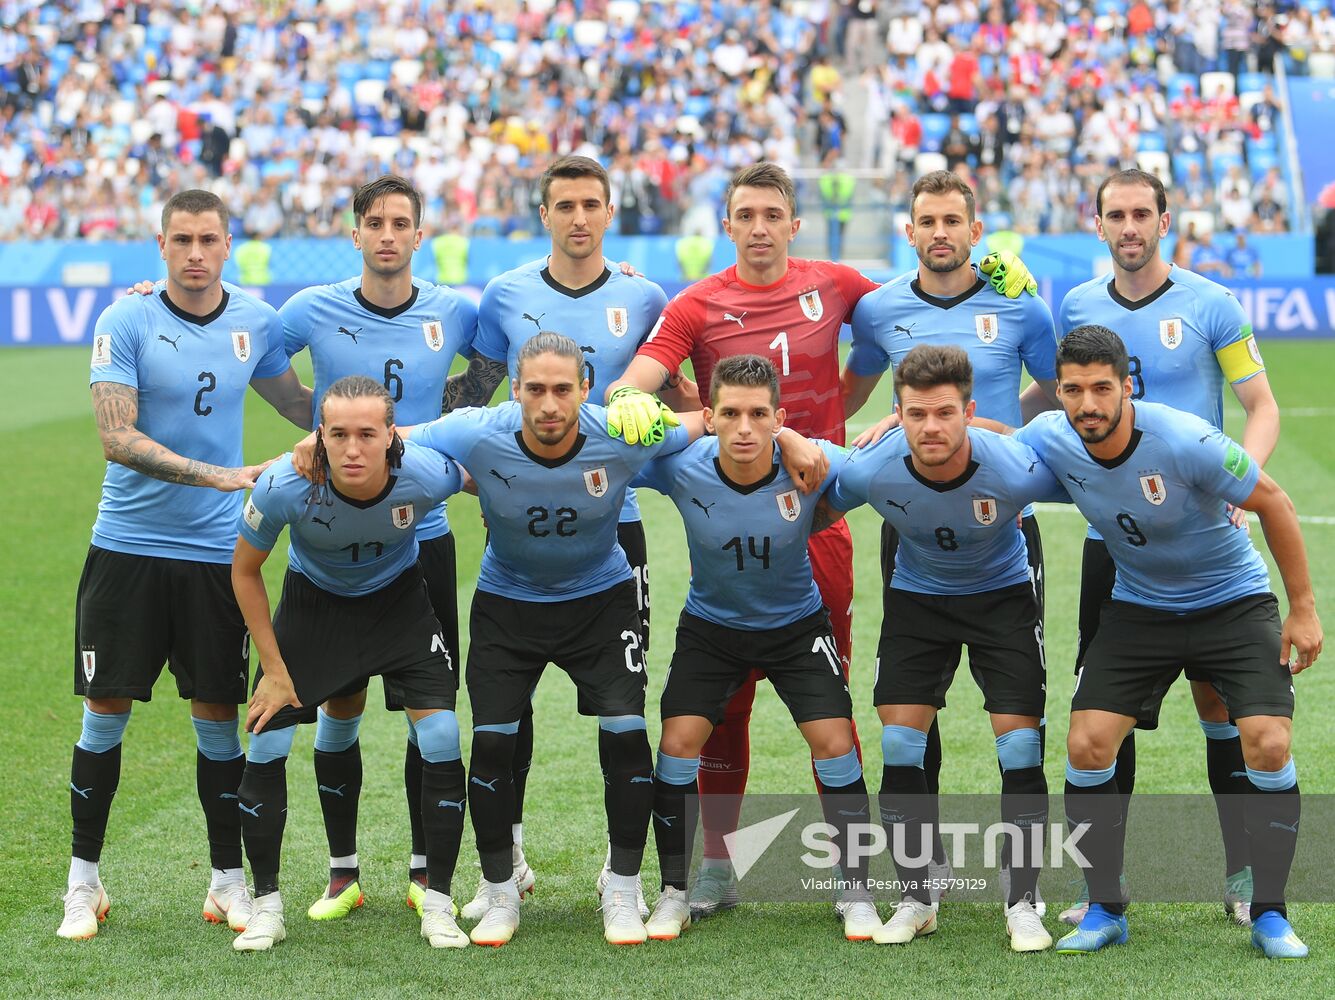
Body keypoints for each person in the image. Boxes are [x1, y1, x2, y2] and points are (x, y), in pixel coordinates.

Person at [604, 160, 1036, 919]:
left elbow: (923, 310)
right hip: (734, 496)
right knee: (723, 702)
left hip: (819, 507)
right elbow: (631, 388)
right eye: (746, 214)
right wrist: (685, 415)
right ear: (728, 224)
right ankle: (713, 866)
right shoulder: (695, 304)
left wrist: (1000, 278)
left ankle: (852, 877)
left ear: (793, 223)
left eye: (773, 213)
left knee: (828, 706)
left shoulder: (837, 284)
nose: (760, 227)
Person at [1009, 325, 1320, 959]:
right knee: (1088, 742)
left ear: (1128, 386)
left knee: (1267, 740)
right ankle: (1105, 907)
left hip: (1232, 604)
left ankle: (1269, 911)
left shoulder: (1185, 438)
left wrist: (1304, 611)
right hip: (1141, 608)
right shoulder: (1051, 435)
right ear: (1058, 393)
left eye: (1102, 388)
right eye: (1072, 390)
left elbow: (1276, 503)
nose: (1088, 404)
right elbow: (992, 450)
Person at [59, 189, 311, 941]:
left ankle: (226, 881)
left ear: (228, 242)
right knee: (105, 713)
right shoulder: (126, 318)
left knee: (217, 716)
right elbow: (117, 437)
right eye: (182, 240)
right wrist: (221, 477)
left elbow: (298, 404)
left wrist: (385, 421)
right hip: (128, 547)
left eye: (208, 239)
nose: (195, 253)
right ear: (160, 246)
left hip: (212, 558)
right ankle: (84, 884)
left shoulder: (255, 322)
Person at [454, 155, 697, 919]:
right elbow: (478, 391)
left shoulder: (644, 293)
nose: (579, 218)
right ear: (545, 213)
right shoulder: (506, 294)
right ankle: (509, 860)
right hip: (521, 532)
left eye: (592, 203)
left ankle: (617, 873)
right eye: (565, 205)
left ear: (609, 210)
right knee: (506, 712)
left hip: (615, 537)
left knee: (622, 709)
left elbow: (683, 396)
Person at [409, 333, 705, 947]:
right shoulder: (475, 430)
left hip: (600, 604)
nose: (549, 404)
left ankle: (622, 888)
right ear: (515, 390)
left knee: (627, 736)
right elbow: (389, 438)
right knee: (491, 747)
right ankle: (500, 890)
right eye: (535, 390)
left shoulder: (621, 432)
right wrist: (312, 443)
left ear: (586, 390)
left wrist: (663, 410)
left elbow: (707, 424)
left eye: (563, 390)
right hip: (507, 606)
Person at [1059, 168, 1281, 927]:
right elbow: (1063, 396)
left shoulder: (1210, 302)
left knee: (1220, 706)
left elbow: (1259, 404)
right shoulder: (1078, 307)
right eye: (1114, 215)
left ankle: (1244, 873)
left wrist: (1238, 484)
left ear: (1164, 221)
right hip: (1111, 541)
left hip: (1202, 534)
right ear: (1097, 225)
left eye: (1140, 214)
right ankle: (1104, 892)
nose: (1128, 227)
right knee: (1102, 715)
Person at [277, 175, 480, 924]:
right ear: (353, 232)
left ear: (419, 235)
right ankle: (342, 872)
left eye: (401, 223)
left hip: (423, 534)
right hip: (345, 531)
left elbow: (492, 364)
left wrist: (433, 433)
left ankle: (428, 871)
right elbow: (256, 357)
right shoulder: (311, 308)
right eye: (375, 222)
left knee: (428, 706)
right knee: (341, 699)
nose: (388, 234)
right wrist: (314, 425)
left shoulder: (454, 309)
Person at [633, 355, 879, 943]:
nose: (745, 428)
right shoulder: (680, 466)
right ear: (710, 417)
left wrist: (885, 426)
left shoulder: (815, 464)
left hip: (797, 628)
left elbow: (887, 468)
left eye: (759, 415)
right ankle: (674, 891)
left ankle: (856, 888)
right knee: (677, 741)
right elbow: (603, 452)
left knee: (836, 742)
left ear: (779, 418)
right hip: (711, 629)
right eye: (731, 414)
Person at [825, 344, 1062, 953]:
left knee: (1019, 744)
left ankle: (1024, 898)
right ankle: (917, 895)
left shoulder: (1014, 466)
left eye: (946, 413)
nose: (931, 427)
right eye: (916, 414)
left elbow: (1099, 483)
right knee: (901, 740)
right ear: (897, 413)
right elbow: (811, 492)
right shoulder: (870, 468)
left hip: (1003, 597)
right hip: (918, 599)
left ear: (968, 412)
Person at [230, 376, 470, 952]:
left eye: (368, 433)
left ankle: (438, 904)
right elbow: (244, 572)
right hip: (314, 609)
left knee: (441, 734)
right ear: (319, 436)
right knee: (264, 741)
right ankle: (267, 906)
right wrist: (276, 669)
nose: (353, 448)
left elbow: (485, 471)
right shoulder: (286, 485)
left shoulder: (426, 474)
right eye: (338, 434)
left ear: (393, 435)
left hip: (399, 605)